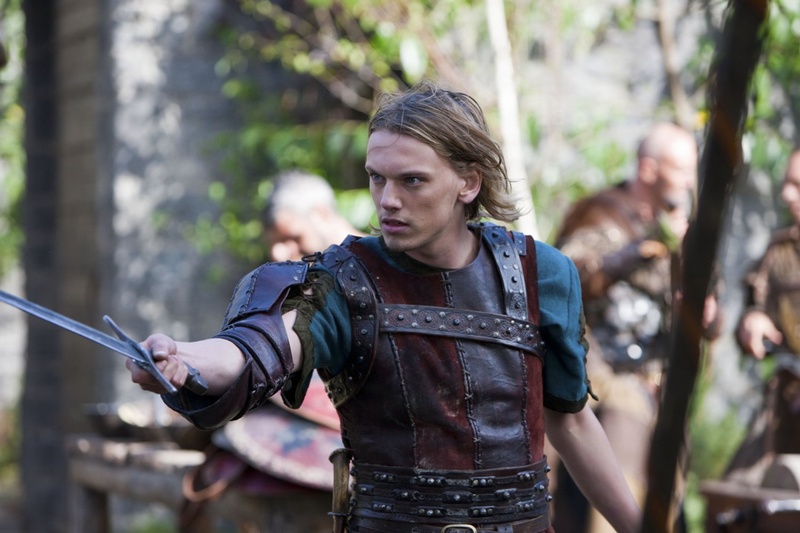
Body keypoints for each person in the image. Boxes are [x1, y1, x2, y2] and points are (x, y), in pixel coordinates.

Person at [127, 80, 640, 533]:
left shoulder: (541, 273)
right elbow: (263, 345)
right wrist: (186, 358)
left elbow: (570, 422)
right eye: (377, 178)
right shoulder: (345, 280)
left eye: (412, 180)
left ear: (469, 182)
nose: (387, 199)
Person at [552, 123, 709, 533]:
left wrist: (707, 311)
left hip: (661, 390)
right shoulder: (600, 214)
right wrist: (639, 250)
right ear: (649, 169)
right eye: (681, 169)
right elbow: (569, 280)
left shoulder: (689, 230)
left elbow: (713, 312)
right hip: (600, 382)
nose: (689, 181)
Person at [726, 148, 800, 483]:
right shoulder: (781, 250)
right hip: (786, 409)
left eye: (798, 185)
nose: (787, 195)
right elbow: (754, 303)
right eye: (786, 183)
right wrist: (753, 320)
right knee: (736, 496)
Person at [263, 169, 362, 262]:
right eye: (272, 243)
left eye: (294, 238)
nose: (278, 255)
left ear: (322, 215)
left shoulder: (371, 263)